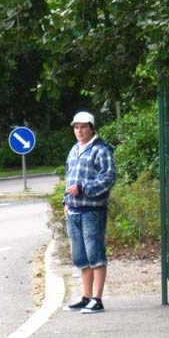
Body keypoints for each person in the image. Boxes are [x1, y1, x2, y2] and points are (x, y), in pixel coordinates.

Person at [62, 111, 116, 314]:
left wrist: (83, 188)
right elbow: (68, 178)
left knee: (96, 255)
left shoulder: (101, 150)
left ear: (92, 128)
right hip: (74, 211)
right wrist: (65, 201)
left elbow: (108, 179)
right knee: (80, 257)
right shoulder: (74, 149)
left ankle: (98, 299)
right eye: (76, 127)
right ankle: (86, 298)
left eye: (83, 127)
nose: (79, 131)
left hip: (92, 211)